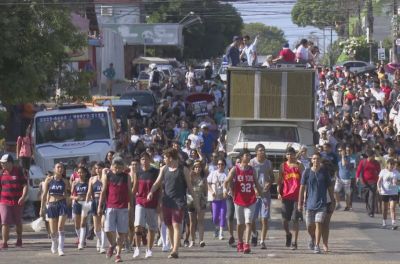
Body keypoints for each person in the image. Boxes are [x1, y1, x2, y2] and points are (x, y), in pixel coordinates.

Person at [147, 148, 200, 259]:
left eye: (165, 157)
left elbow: (190, 187)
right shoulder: (163, 169)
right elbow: (157, 182)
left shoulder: (183, 169)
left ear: (170, 158)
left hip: (179, 201)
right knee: (169, 226)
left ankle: (175, 250)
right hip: (167, 201)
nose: (164, 159)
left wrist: (196, 203)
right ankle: (173, 246)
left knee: (176, 224)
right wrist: (151, 192)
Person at [223, 149, 263, 254]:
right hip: (239, 200)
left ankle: (246, 244)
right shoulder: (235, 169)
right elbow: (226, 181)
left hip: (251, 199)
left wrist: (262, 196)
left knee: (248, 222)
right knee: (240, 224)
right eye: (246, 155)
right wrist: (225, 190)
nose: (249, 157)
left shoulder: (252, 170)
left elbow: (257, 184)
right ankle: (240, 242)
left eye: (250, 155)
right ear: (241, 157)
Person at [298, 152, 335, 254]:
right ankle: (312, 237)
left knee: (319, 223)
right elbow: (301, 188)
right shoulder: (306, 172)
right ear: (311, 160)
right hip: (309, 204)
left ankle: (317, 245)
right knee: (310, 226)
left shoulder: (324, 173)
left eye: (318, 159)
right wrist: (299, 203)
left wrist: (332, 201)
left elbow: (330, 188)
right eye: (314, 159)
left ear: (320, 160)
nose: (316, 160)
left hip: (322, 203)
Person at [98, 157, 133, 263]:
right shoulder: (108, 176)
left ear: (123, 167)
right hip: (110, 206)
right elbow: (103, 192)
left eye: (119, 167)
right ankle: (113, 244)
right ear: (112, 167)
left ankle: (118, 254)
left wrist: (131, 207)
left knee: (122, 232)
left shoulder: (126, 177)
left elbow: (130, 193)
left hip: (122, 208)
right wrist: (99, 206)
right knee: (108, 229)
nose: (117, 169)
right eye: (115, 167)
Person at [132, 152, 160, 259]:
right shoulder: (137, 173)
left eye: (146, 159)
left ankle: (149, 249)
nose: (144, 161)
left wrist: (159, 203)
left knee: (152, 227)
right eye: (142, 159)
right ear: (140, 161)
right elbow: (134, 189)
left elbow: (160, 189)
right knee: (138, 226)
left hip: (152, 203)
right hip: (140, 201)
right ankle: (137, 249)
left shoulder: (155, 172)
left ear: (150, 160)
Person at [40, 163, 71, 256]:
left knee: (60, 227)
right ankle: (54, 243)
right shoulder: (49, 180)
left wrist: (68, 203)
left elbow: (67, 194)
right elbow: (44, 194)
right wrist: (42, 207)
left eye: (62, 167)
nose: (60, 169)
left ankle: (61, 248)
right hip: (52, 204)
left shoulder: (65, 181)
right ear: (54, 169)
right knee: (53, 231)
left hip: (62, 203)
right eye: (58, 167)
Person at [277, 147, 303, 250]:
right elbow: (279, 180)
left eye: (291, 154)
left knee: (295, 219)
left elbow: (304, 180)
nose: (289, 156)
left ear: (294, 154)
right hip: (286, 195)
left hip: (297, 196)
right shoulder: (282, 166)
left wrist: (304, 194)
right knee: (284, 220)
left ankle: (294, 242)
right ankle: (288, 234)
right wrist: (279, 192)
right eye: (287, 154)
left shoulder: (299, 165)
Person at [0, 154, 28, 249]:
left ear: (10, 163)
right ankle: (4, 242)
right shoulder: (1, 172)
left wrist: (23, 197)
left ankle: (19, 239)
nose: (2, 165)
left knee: (18, 222)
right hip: (4, 201)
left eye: (4, 163)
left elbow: (25, 185)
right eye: (1, 163)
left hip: (17, 201)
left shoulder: (19, 171)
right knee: (5, 222)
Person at [249, 144, 273, 250]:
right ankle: (254, 234)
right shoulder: (252, 163)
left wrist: (269, 183)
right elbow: (249, 177)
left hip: (265, 195)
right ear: (256, 152)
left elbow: (272, 177)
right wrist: (254, 188)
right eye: (260, 150)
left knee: (265, 219)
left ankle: (262, 241)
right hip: (254, 194)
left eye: (263, 150)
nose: (262, 152)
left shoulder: (268, 163)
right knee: (252, 219)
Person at [86, 162, 106, 253]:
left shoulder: (105, 178)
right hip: (95, 201)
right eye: (96, 168)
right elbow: (89, 192)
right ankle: (99, 239)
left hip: (104, 202)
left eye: (100, 168)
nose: (98, 170)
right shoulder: (92, 179)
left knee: (103, 224)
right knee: (96, 226)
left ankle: (103, 245)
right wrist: (86, 201)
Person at [187, 161, 207, 247]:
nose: (197, 169)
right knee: (192, 222)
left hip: (201, 200)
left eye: (199, 167)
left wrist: (205, 197)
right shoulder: (190, 177)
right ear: (193, 168)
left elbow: (205, 190)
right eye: (195, 167)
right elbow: (187, 188)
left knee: (201, 220)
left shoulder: (203, 178)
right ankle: (192, 240)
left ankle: (201, 240)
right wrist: (190, 175)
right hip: (191, 201)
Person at [356, 149, 380, 217]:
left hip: (373, 182)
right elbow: (358, 170)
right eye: (373, 156)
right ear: (369, 156)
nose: (374, 157)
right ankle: (368, 208)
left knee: (371, 197)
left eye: (374, 156)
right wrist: (357, 178)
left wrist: (379, 181)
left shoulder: (376, 163)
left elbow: (379, 172)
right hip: (364, 182)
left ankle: (371, 212)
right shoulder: (363, 162)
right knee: (365, 197)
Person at [207, 158, 228, 240]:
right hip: (215, 198)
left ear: (224, 165)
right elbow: (207, 183)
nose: (220, 166)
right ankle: (216, 227)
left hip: (223, 198)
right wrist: (211, 191)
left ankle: (221, 232)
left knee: (222, 215)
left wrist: (226, 191)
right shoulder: (213, 173)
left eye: (222, 164)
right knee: (215, 217)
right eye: (219, 164)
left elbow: (229, 184)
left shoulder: (226, 174)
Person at [71, 166, 90, 250]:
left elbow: (91, 194)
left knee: (83, 223)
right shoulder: (75, 183)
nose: (80, 174)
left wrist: (86, 197)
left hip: (85, 204)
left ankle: (81, 243)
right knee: (77, 224)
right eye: (79, 172)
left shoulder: (89, 182)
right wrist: (75, 198)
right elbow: (71, 195)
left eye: (82, 172)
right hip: (76, 203)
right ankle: (81, 238)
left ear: (85, 173)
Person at [377, 158, 398, 229]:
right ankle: (384, 222)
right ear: (387, 164)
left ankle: (393, 223)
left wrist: (396, 182)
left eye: (393, 165)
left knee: (392, 208)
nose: (391, 166)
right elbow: (379, 181)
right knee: (385, 208)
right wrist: (378, 187)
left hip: (393, 192)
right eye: (390, 164)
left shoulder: (396, 172)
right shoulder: (383, 171)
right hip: (384, 192)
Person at [334, 146, 353, 211]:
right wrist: (335, 174)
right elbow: (337, 167)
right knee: (335, 190)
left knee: (347, 193)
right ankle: (338, 203)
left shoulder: (349, 158)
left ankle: (347, 206)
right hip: (339, 178)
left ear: (344, 151)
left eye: (340, 150)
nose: (339, 152)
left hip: (347, 178)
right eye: (338, 151)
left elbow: (344, 164)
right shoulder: (338, 158)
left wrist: (342, 156)